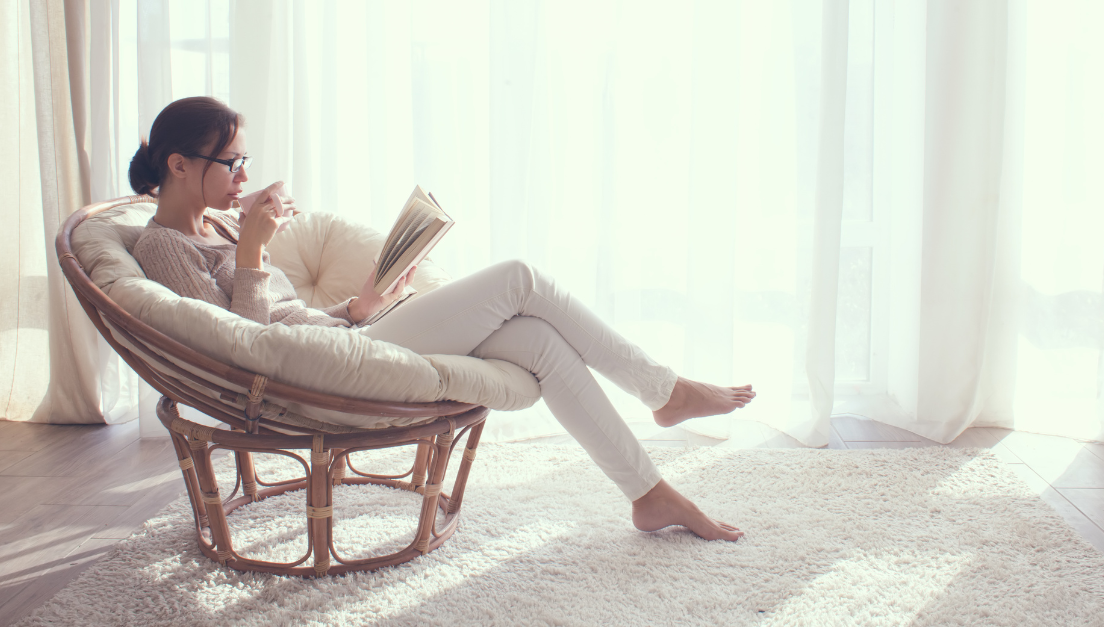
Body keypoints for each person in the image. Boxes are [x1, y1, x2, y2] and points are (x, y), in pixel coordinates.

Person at [129, 96, 755, 541]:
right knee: (520, 278)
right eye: (230, 163)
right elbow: (241, 348)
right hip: (319, 379)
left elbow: (285, 320)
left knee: (536, 337)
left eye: (244, 160)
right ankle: (664, 391)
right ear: (179, 165)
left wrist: (360, 305)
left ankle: (649, 495)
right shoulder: (165, 246)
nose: (243, 176)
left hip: (343, 342)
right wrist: (252, 252)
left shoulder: (219, 225)